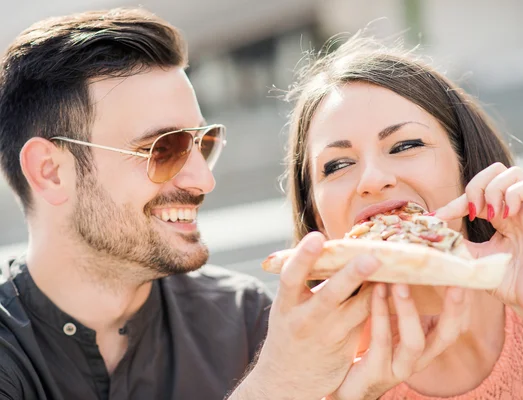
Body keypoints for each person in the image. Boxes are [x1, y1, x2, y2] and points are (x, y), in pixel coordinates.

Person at [0, 8, 385, 400]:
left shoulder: (242, 318)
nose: (204, 180)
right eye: (164, 148)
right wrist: (273, 387)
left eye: (203, 143)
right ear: (50, 172)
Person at [279, 32, 523, 399]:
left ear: (465, 162)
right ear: (317, 216)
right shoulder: (324, 369)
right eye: (337, 165)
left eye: (405, 145)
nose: (372, 180)